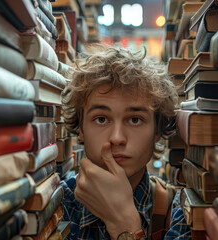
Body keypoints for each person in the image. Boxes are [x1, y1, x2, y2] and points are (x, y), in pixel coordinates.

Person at [60, 46, 189, 239]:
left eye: (135, 119)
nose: (117, 138)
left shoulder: (181, 213)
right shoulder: (55, 205)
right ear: (81, 128)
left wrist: (124, 224)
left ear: (157, 131)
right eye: (101, 119)